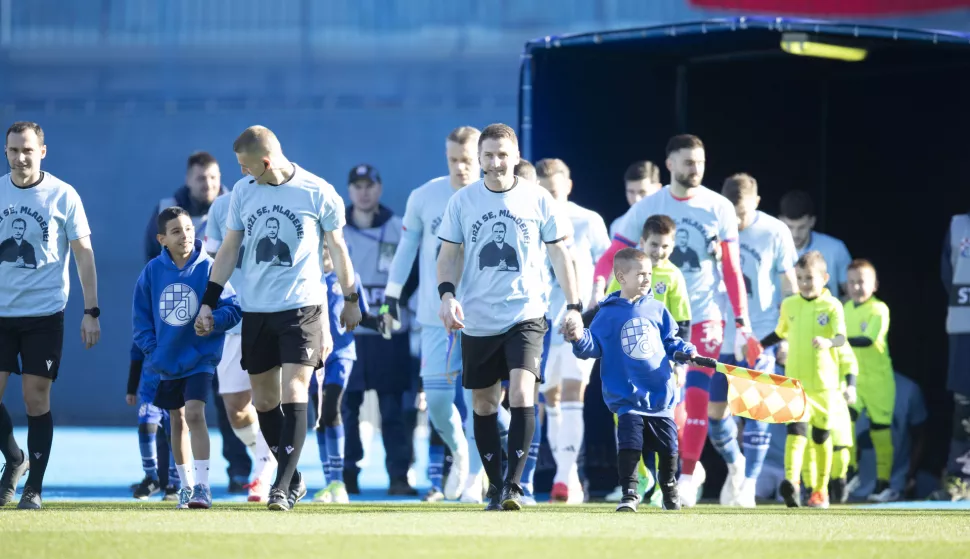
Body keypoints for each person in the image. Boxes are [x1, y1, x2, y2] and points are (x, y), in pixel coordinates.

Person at [196, 125, 361, 511]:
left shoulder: (318, 191)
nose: (241, 172)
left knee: (295, 391)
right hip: (256, 310)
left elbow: (338, 249)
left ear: (266, 162)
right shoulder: (243, 193)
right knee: (265, 400)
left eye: (245, 165)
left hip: (303, 308)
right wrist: (208, 301)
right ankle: (295, 477)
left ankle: (282, 486)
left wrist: (351, 299)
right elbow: (229, 249)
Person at [594, 134, 753, 506]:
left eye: (700, 161)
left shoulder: (719, 207)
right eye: (688, 162)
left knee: (697, 396)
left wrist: (741, 323)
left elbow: (731, 269)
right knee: (666, 405)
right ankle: (666, 471)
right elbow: (612, 255)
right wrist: (597, 290)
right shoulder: (648, 207)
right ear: (670, 164)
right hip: (654, 322)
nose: (695, 168)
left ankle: (685, 478)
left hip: (704, 317)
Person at [437, 123, 581, 510]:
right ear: (479, 158)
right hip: (477, 318)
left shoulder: (538, 198)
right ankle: (496, 486)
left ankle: (515, 486)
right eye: (489, 155)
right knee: (484, 405)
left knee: (520, 394)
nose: (496, 162)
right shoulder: (463, 201)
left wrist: (574, 306)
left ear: (516, 157)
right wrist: (446, 297)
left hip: (526, 314)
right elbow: (448, 255)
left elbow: (560, 255)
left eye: (503, 154)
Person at [0, 121, 101, 510]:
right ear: (6, 152)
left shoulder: (62, 194)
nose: (20, 157)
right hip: (1, 314)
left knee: (34, 398)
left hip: (43, 314)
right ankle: (15, 458)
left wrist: (91, 311)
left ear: (42, 151)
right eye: (13, 150)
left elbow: (84, 254)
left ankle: (34, 488)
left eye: (27, 150)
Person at [137, 151, 250, 494]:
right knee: (175, 416)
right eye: (201, 178)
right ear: (189, 179)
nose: (208, 184)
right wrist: (155, 349)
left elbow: (233, 293)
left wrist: (214, 318)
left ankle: (234, 473)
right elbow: (147, 300)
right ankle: (173, 481)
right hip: (171, 349)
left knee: (221, 405)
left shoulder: (235, 206)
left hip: (213, 344)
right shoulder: (165, 213)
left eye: (214, 177)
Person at [382, 127, 480, 501]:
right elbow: (405, 249)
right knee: (437, 403)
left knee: (479, 401)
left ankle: (475, 477)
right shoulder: (424, 196)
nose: (460, 167)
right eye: (453, 160)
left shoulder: (491, 197)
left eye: (466, 160)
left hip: (482, 317)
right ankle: (461, 451)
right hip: (434, 316)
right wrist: (391, 297)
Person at [569, 247, 696, 511]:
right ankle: (630, 492)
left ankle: (668, 488)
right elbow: (593, 346)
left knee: (668, 448)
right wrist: (579, 337)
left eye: (649, 273)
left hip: (660, 395)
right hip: (628, 396)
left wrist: (685, 351)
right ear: (621, 277)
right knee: (629, 444)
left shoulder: (658, 309)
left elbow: (671, 341)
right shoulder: (607, 312)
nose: (647, 279)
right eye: (640, 274)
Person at [710, 174, 797, 507]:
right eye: (731, 214)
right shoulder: (712, 227)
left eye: (742, 214)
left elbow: (789, 286)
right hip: (719, 333)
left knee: (758, 411)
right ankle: (736, 466)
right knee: (715, 415)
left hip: (760, 333)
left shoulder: (775, 231)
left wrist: (786, 335)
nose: (736, 221)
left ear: (757, 203)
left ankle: (749, 483)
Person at [535, 158, 611, 503]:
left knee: (572, 394)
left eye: (555, 190)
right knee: (550, 399)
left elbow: (607, 264)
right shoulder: (530, 218)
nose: (550, 197)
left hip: (577, 320)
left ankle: (565, 477)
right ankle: (566, 475)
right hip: (540, 321)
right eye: (544, 191)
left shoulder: (588, 220)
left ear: (568, 186)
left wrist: (595, 299)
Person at [341, 163, 417, 496]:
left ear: (379, 188)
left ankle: (399, 476)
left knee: (393, 409)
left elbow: (412, 275)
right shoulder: (336, 229)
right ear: (349, 190)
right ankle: (347, 476)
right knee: (347, 409)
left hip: (389, 335)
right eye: (357, 186)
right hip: (349, 334)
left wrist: (389, 308)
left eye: (369, 185)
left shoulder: (398, 228)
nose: (364, 192)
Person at [759, 251, 852, 509]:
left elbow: (841, 338)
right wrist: (759, 345)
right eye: (800, 278)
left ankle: (820, 491)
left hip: (824, 386)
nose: (804, 283)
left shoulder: (832, 306)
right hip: (795, 384)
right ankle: (792, 483)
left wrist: (828, 342)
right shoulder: (790, 305)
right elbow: (780, 332)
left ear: (824, 278)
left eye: (809, 278)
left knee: (821, 438)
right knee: (795, 433)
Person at [204, 191, 277, 503]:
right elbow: (210, 260)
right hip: (233, 321)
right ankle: (270, 452)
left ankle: (263, 474)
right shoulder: (222, 206)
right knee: (236, 411)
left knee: (269, 401)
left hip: (273, 316)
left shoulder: (285, 199)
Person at [310, 239, 371, 504]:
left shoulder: (348, 278)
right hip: (312, 356)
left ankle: (339, 482)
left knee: (332, 407)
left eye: (328, 246)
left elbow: (362, 313)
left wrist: (382, 320)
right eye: (320, 246)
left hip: (341, 354)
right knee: (319, 416)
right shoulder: (306, 277)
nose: (325, 251)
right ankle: (329, 483)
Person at [843, 258, 897, 502]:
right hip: (852, 379)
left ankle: (883, 484)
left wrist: (835, 342)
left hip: (879, 382)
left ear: (874, 285)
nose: (856, 287)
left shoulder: (879, 309)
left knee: (880, 433)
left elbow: (867, 340)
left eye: (861, 282)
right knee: (845, 422)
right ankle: (850, 470)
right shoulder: (844, 309)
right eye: (851, 282)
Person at [938, 209, 970, 500]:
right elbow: (948, 275)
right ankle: (960, 479)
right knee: (964, 404)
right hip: (965, 325)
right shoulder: (959, 226)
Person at [778, 190, 852, 299]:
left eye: (801, 227)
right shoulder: (769, 250)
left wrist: (834, 306)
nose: (795, 234)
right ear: (780, 221)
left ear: (812, 221)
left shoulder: (835, 249)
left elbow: (852, 294)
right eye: (790, 227)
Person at [607, 161, 663, 240]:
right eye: (631, 192)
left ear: (658, 189)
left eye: (642, 192)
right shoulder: (617, 226)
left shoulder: (674, 218)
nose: (636, 199)